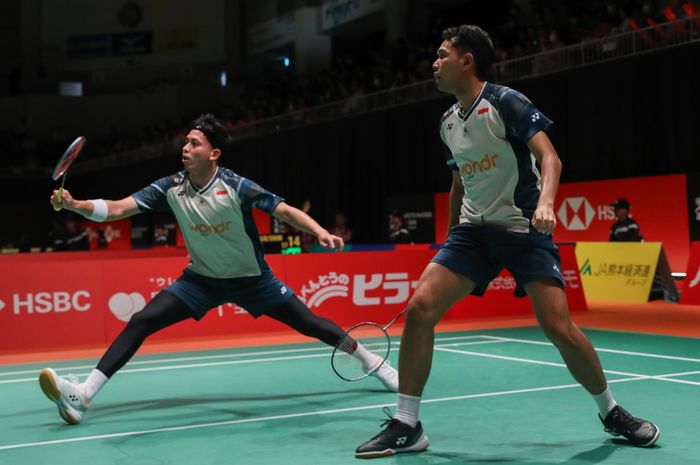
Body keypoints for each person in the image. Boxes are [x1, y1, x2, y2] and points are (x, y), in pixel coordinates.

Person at [355, 25, 659, 458]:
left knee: (559, 328)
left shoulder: (505, 102)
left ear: (467, 61)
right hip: (472, 233)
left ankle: (611, 411)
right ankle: (407, 424)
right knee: (421, 309)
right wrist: (448, 240)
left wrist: (548, 204)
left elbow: (550, 157)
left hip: (524, 229)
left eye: (443, 55)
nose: (434, 64)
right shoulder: (446, 123)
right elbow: (458, 181)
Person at [41, 114, 397, 425]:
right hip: (201, 281)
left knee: (312, 324)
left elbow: (283, 210)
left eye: (194, 143)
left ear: (213, 154)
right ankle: (83, 395)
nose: (185, 148)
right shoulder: (171, 188)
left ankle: (373, 362)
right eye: (185, 142)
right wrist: (75, 204)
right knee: (142, 321)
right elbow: (119, 208)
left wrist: (319, 230)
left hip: (253, 280)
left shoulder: (235, 185)